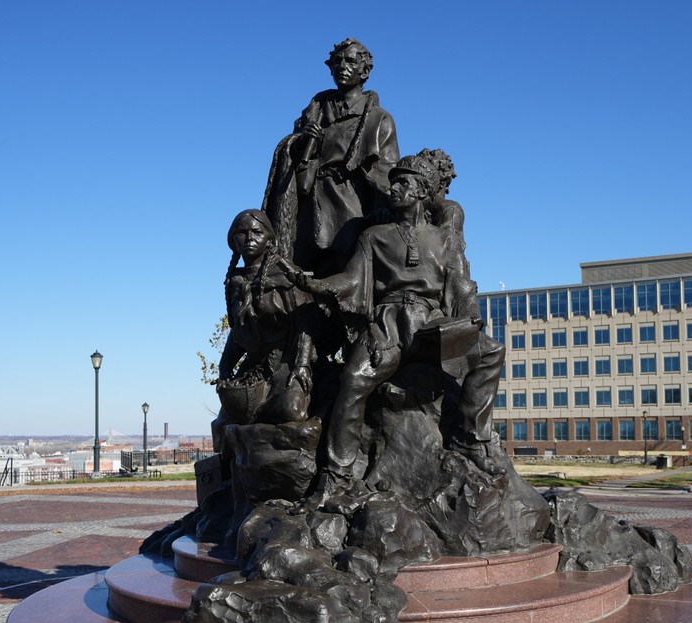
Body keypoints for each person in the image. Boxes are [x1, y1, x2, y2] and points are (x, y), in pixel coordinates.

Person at [292, 154, 506, 497]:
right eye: (394, 182)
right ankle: (337, 473)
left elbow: (461, 286)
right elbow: (351, 280)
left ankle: (471, 440)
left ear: (422, 191)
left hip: (431, 324)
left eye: (403, 183)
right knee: (353, 379)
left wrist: (470, 316)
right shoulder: (374, 237)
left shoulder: (444, 239)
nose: (394, 188)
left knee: (491, 353)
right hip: (388, 324)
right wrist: (316, 285)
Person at [263, 39, 400, 278]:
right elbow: (292, 156)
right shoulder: (313, 113)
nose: (342, 66)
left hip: (349, 208)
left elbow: (387, 174)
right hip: (309, 206)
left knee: (346, 273)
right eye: (337, 61)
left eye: (350, 61)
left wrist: (381, 211)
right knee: (297, 273)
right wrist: (303, 141)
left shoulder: (378, 119)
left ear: (365, 71)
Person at [217, 209, 313, 425]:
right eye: (242, 233)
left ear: (269, 240)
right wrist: (225, 367)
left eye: (257, 232)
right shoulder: (235, 282)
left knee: (290, 411)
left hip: (285, 362)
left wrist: (303, 365)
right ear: (233, 240)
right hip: (253, 366)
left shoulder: (287, 275)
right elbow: (238, 330)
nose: (249, 238)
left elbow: (305, 324)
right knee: (226, 420)